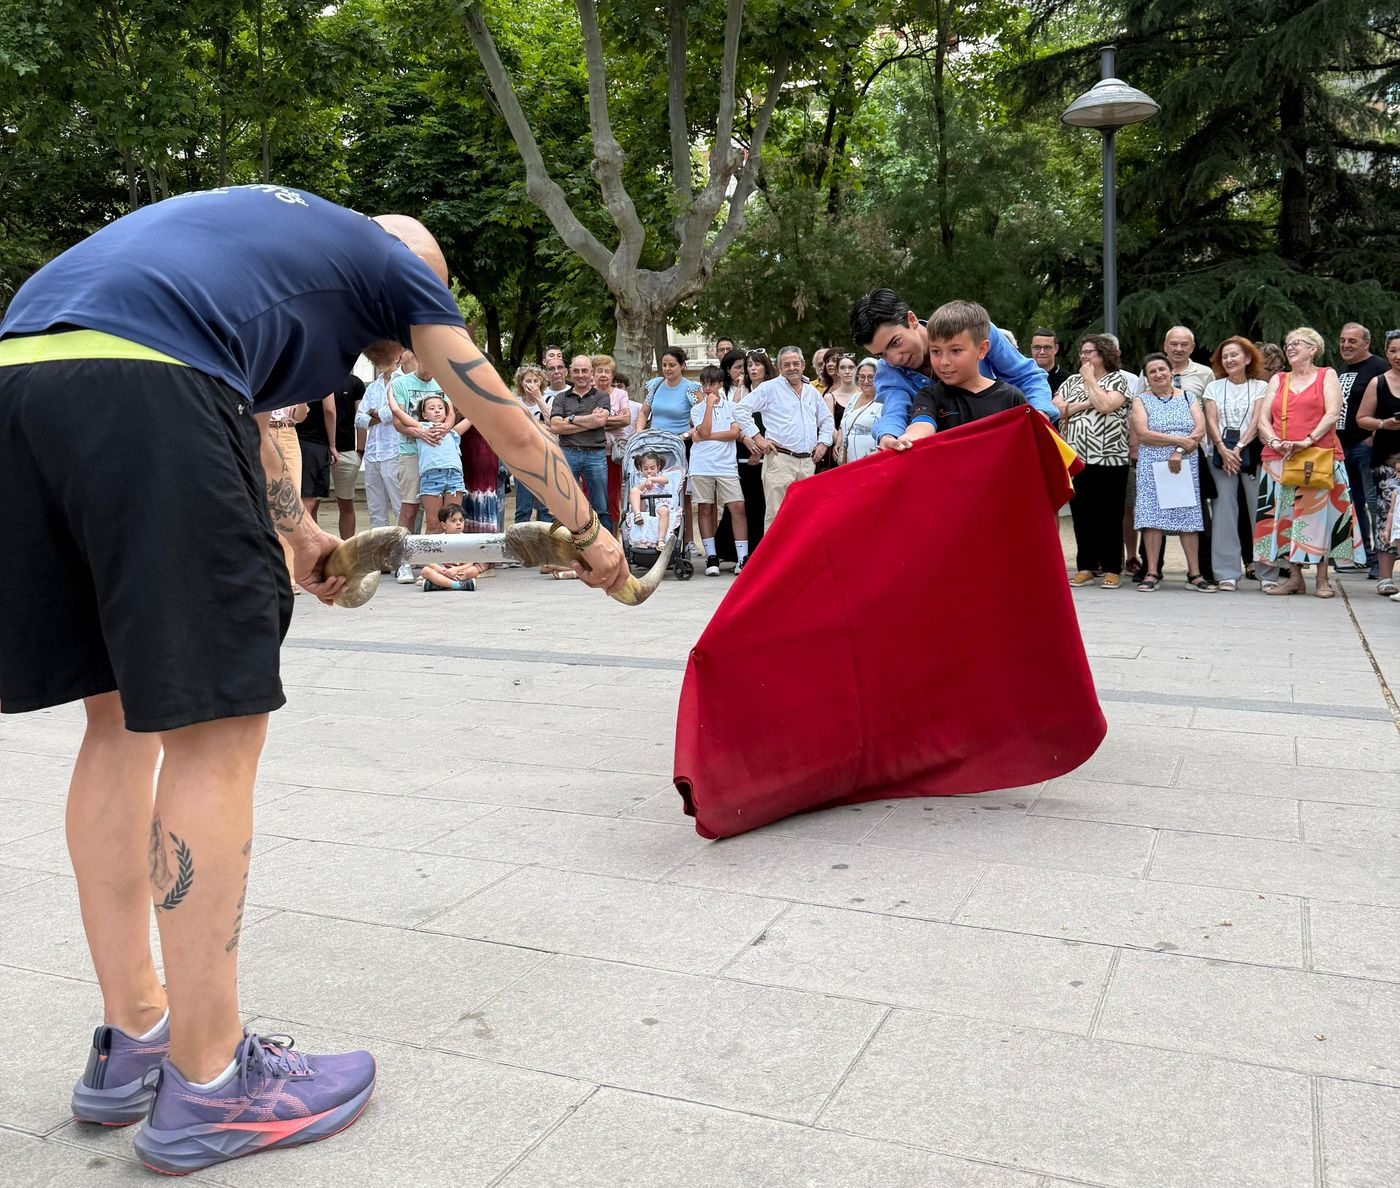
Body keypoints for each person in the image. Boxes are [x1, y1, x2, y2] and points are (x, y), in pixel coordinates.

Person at [0, 187, 627, 1176]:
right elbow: (501, 421)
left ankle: (135, 1044)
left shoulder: (261, 247)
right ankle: (210, 1088)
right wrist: (595, 542)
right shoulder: (386, 263)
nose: (410, 348)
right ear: (415, 274)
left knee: (115, 717)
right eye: (422, 319)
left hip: (26, 369)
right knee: (215, 730)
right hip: (148, 385)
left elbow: (248, 417)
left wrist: (297, 536)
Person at [849, 288, 1055, 445]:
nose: (895, 358)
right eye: (882, 354)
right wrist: (890, 437)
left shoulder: (973, 328)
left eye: (895, 343)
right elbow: (896, 411)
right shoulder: (889, 373)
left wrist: (1040, 417)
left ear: (911, 319)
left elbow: (1026, 376)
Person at [1254, 327, 1364, 597]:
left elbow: (1332, 413)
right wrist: (1275, 443)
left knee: (1320, 518)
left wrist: (1307, 440)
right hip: (1281, 457)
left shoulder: (1327, 375)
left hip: (1319, 455)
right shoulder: (1279, 379)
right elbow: (1263, 419)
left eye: (1298, 343)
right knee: (1287, 518)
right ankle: (1294, 578)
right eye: (1288, 343)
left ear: (1313, 349)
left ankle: (1322, 579)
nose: (1290, 347)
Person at [886, 301, 1026, 448]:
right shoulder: (929, 396)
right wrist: (910, 438)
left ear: (982, 349)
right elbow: (922, 423)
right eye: (936, 351)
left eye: (956, 351)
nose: (944, 362)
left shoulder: (1011, 397)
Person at [1055, 334, 1133, 587]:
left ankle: (1112, 568)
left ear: (1103, 355)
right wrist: (1088, 402)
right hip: (1077, 458)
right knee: (1082, 514)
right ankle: (1085, 566)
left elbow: (1106, 406)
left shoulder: (1117, 380)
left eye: (1090, 352)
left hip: (1110, 458)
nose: (1084, 357)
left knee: (1109, 515)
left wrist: (1089, 381)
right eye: (1082, 352)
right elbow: (1057, 408)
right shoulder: (1070, 381)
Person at [1131, 352, 1214, 592]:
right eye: (1152, 371)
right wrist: (1178, 439)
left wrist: (1178, 449)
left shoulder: (1188, 396)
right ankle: (1153, 571)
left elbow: (1199, 428)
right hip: (1152, 464)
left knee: (1187, 517)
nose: (1158, 374)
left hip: (1184, 463)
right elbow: (1143, 433)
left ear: (1171, 372)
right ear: (1147, 377)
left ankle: (1195, 574)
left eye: (1162, 369)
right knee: (1152, 518)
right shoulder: (1141, 400)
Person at [739, 346, 835, 528]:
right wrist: (758, 438)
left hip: (807, 462)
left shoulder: (811, 391)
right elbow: (740, 409)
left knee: (805, 517)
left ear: (803, 365)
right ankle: (774, 558)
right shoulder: (769, 388)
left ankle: (802, 557)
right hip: (780, 460)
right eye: (787, 364)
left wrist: (823, 443)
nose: (792, 368)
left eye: (795, 364)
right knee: (776, 517)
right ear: (779, 367)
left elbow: (827, 420)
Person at [1202, 337, 1270, 591]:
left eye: (1234, 355)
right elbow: (1211, 420)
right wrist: (1223, 448)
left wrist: (1239, 447)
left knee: (1260, 512)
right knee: (1223, 513)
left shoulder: (1262, 386)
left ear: (1248, 358)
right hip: (1220, 455)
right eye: (1225, 356)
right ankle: (1226, 573)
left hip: (1251, 453)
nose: (1229, 360)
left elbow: (1257, 419)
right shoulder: (1214, 388)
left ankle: (1267, 572)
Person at [689, 364, 753, 574]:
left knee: (737, 506)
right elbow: (705, 429)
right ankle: (712, 557)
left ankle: (742, 558)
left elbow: (734, 433)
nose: (708, 388)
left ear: (719, 384)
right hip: (702, 465)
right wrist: (708, 407)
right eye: (705, 384)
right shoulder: (696, 409)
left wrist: (703, 436)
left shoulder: (731, 407)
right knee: (705, 507)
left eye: (712, 384)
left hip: (726, 465)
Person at [1336, 322, 1389, 577]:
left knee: (1374, 501)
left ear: (1366, 343)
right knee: (1351, 504)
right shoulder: (1341, 369)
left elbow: (1390, 399)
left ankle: (1381, 560)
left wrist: (1375, 434)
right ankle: (1362, 554)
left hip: (1366, 447)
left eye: (1352, 341)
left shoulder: (1378, 367)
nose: (1346, 345)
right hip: (1341, 447)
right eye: (1343, 340)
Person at [387, 350, 445, 581]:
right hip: (412, 453)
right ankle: (403, 561)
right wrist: (422, 434)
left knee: (438, 511)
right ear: (419, 359)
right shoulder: (401, 383)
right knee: (409, 508)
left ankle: (434, 561)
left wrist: (445, 429)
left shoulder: (443, 383)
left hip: (439, 454)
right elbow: (398, 423)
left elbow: (451, 415)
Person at [1351, 329, 1400, 596]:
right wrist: (1384, 424)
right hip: (1386, 462)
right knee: (1386, 516)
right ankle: (1384, 576)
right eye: (1393, 351)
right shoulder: (1378, 382)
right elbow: (1362, 418)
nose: (1398, 356)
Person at [550, 354, 614, 532]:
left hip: (595, 454)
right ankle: (564, 550)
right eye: (576, 371)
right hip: (568, 452)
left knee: (601, 506)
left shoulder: (602, 397)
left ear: (591, 372)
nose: (580, 375)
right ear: (570, 372)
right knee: (564, 504)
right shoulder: (561, 398)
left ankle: (607, 553)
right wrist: (589, 420)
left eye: (584, 370)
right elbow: (555, 426)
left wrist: (569, 419)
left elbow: (600, 422)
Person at [355, 344, 405, 529]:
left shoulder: (402, 381)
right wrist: (379, 415)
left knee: (400, 507)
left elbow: (395, 412)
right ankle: (380, 554)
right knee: (376, 511)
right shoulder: (373, 387)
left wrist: (375, 414)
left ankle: (404, 555)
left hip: (394, 451)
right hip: (372, 453)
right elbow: (359, 419)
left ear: (397, 356)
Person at [593, 353, 635, 536]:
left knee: (612, 499)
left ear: (612, 375)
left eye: (607, 372)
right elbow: (586, 421)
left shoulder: (620, 394)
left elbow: (626, 419)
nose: (603, 375)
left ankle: (613, 540)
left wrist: (599, 421)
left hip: (614, 455)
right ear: (593, 374)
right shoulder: (589, 394)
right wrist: (610, 420)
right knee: (591, 500)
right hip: (592, 452)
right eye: (599, 371)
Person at [415, 393, 465, 529]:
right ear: (424, 414)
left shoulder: (452, 432)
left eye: (440, 408)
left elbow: (473, 416)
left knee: (453, 522)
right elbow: (399, 416)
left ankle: (452, 550)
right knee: (434, 524)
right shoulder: (421, 428)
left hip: (454, 476)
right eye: (431, 408)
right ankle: (430, 551)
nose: (437, 410)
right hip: (432, 476)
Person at [511, 363, 551, 524]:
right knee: (523, 508)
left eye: (536, 380)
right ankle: (521, 546)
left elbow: (553, 424)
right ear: (521, 382)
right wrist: (540, 427)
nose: (532, 384)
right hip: (523, 459)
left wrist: (539, 400)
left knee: (546, 509)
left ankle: (548, 545)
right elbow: (514, 430)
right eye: (528, 381)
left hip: (546, 457)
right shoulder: (514, 402)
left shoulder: (549, 400)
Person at [329, 371, 365, 540]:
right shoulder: (313, 377)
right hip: (316, 448)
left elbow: (361, 418)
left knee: (346, 503)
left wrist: (360, 451)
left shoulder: (355, 383)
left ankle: (346, 548)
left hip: (347, 451)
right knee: (310, 503)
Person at [295, 389, 336, 525]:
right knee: (308, 500)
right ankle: (302, 541)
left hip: (290, 438)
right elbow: (329, 409)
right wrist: (332, 444)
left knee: (295, 496)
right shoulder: (323, 376)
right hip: (315, 442)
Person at [420, 503, 482, 591]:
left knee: (474, 570)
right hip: (442, 571)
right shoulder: (438, 540)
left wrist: (455, 570)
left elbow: (470, 563)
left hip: (459, 571)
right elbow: (429, 561)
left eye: (461, 520)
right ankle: (457, 585)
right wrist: (442, 571)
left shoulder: (467, 539)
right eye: (453, 521)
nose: (458, 523)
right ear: (444, 525)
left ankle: (439, 584)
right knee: (425, 571)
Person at [836, 357, 883, 464]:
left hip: (874, 462)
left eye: (871, 377)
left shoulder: (885, 401)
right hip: (850, 462)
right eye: (861, 377)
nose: (866, 381)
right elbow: (844, 423)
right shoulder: (854, 398)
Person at [820, 353, 859, 471]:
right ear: (837, 372)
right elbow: (829, 425)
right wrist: (841, 442)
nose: (847, 371)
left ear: (857, 369)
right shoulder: (830, 397)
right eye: (842, 368)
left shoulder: (864, 394)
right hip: (838, 449)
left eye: (851, 367)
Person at [629, 450, 673, 547]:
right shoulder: (640, 479)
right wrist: (645, 483)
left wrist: (651, 479)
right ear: (640, 468)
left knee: (665, 511)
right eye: (645, 468)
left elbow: (665, 481)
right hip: (644, 504)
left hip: (658, 503)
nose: (649, 471)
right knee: (634, 491)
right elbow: (636, 491)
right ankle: (637, 514)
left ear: (658, 468)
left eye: (652, 468)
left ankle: (661, 539)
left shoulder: (660, 477)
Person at [1030, 328, 1070, 394]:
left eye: (1047, 347)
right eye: (1037, 347)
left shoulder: (1068, 380)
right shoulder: (1023, 378)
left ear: (1056, 349)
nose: (1042, 352)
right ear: (1031, 349)